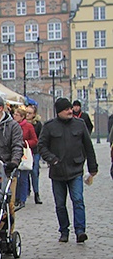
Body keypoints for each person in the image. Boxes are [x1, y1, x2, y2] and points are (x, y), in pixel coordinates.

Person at [36, 98, 98, 243]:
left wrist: (92, 167)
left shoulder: (80, 124)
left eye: (71, 108)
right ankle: (64, 230)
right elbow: (42, 146)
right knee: (60, 204)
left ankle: (80, 230)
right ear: (59, 112)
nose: (70, 111)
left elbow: (88, 146)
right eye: (66, 109)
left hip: (75, 169)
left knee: (78, 200)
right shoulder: (49, 126)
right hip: (57, 171)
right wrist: (52, 159)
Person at [12, 107, 37, 209]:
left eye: (16, 115)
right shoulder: (11, 126)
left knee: (23, 178)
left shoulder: (28, 126)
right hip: (13, 154)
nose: (14, 116)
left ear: (22, 117)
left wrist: (25, 143)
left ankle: (22, 199)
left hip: (24, 154)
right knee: (14, 177)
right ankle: (15, 198)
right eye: (14, 114)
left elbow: (35, 140)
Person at [24, 105, 43, 204]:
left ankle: (37, 193)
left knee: (34, 172)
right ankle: (26, 191)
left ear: (34, 114)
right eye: (26, 113)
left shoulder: (38, 125)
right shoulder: (21, 124)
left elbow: (41, 138)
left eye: (30, 113)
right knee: (25, 171)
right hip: (24, 152)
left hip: (35, 151)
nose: (27, 115)